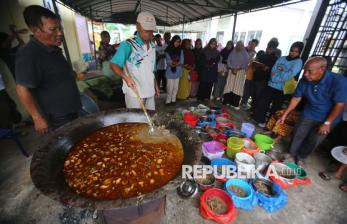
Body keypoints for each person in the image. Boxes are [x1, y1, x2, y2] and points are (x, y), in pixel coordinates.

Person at [15, 5, 81, 134]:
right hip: (57, 116)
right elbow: (22, 89)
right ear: (35, 30)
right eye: (53, 29)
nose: (60, 33)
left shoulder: (52, 47)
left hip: (71, 107)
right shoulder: (29, 53)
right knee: (67, 146)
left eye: (59, 27)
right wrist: (37, 118)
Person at [278, 56, 347, 167]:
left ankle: (301, 157)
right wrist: (285, 114)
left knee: (314, 140)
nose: (305, 74)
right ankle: (290, 153)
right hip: (309, 112)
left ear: (322, 69)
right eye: (305, 70)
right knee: (298, 133)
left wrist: (327, 123)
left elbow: (340, 105)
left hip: (329, 117)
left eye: (310, 71)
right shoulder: (305, 80)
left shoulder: (339, 81)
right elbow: (296, 98)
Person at [110, 12, 159, 111]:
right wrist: (125, 77)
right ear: (137, 26)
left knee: (150, 119)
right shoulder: (128, 45)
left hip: (150, 91)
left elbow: (151, 70)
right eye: (145, 29)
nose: (148, 33)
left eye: (151, 30)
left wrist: (156, 86)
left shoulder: (153, 46)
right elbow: (113, 64)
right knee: (136, 120)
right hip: (134, 92)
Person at [252, 41, 304, 127]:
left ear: (299, 52)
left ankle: (270, 125)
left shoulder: (298, 62)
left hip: (281, 89)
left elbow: (289, 75)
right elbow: (273, 69)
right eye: (292, 50)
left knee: (275, 108)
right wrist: (278, 75)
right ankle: (261, 121)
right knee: (263, 103)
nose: (293, 53)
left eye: (296, 51)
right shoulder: (282, 58)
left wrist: (276, 76)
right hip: (271, 85)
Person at [249, 45, 278, 114]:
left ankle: (256, 111)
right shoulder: (262, 55)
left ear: (274, 50)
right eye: (267, 48)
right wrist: (255, 64)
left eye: (270, 49)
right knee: (253, 94)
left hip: (263, 80)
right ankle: (252, 108)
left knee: (259, 96)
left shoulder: (275, 58)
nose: (268, 50)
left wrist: (267, 68)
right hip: (256, 77)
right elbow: (255, 63)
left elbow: (273, 70)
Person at [223, 41, 249, 109]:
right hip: (231, 71)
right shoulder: (232, 52)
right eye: (238, 45)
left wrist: (237, 69)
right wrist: (232, 68)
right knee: (229, 86)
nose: (239, 46)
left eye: (241, 45)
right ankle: (227, 101)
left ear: (243, 46)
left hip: (240, 72)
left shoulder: (245, 54)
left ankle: (234, 103)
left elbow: (245, 63)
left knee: (237, 88)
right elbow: (228, 60)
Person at [164, 35, 183, 105]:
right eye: (176, 41)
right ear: (173, 41)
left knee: (176, 87)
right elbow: (168, 61)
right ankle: (168, 101)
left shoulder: (180, 50)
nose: (177, 43)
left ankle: (173, 100)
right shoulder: (168, 49)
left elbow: (182, 61)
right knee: (169, 87)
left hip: (177, 70)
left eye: (179, 42)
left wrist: (175, 64)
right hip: (170, 71)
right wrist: (175, 63)